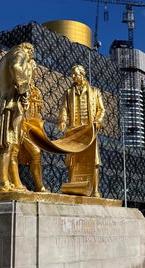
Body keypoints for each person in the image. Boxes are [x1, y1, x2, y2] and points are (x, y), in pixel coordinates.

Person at [0, 42, 38, 193]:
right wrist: (24, 91)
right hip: (12, 104)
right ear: (29, 50)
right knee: (8, 142)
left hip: (6, 102)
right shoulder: (20, 53)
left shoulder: (3, 60)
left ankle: (10, 181)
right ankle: (4, 182)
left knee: (9, 143)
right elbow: (16, 67)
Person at [57, 65, 105, 197]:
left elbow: (101, 109)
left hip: (89, 131)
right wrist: (62, 121)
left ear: (82, 75)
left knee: (94, 161)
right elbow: (64, 108)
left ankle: (95, 190)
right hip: (74, 131)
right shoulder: (68, 93)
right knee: (72, 161)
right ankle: (73, 187)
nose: (73, 77)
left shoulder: (95, 91)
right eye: (72, 74)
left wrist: (97, 121)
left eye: (75, 74)